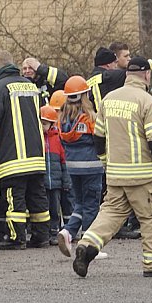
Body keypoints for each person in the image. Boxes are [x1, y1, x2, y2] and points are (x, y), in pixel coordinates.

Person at [72, 57, 152, 278]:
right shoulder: (148, 102)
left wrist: (106, 163)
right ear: (147, 75)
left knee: (110, 214)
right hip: (145, 176)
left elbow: (98, 137)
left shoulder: (108, 100)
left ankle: (87, 245)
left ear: (127, 75)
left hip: (116, 175)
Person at [0, 51, 50, 249]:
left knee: (14, 198)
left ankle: (17, 238)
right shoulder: (31, 86)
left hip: (13, 156)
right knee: (37, 195)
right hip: (36, 155)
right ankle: (41, 236)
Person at [56, 76, 103, 256]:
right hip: (91, 167)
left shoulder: (62, 118)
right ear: (85, 95)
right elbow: (100, 140)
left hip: (72, 167)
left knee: (80, 204)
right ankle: (89, 247)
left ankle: (68, 232)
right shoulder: (90, 117)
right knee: (91, 206)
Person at [41, 105, 69, 245]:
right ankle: (46, 232)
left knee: (54, 208)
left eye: (44, 123)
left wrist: (66, 181)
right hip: (44, 182)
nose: (42, 126)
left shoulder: (57, 139)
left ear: (52, 124)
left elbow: (63, 162)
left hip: (56, 183)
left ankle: (54, 231)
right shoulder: (38, 139)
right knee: (44, 208)